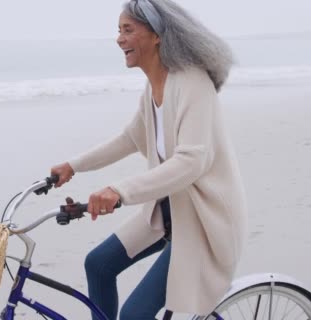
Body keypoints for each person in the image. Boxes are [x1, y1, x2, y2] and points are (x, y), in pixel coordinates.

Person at [50, 0, 247, 319]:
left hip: (199, 222)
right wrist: (73, 166)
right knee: (98, 265)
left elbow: (191, 161)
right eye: (118, 30)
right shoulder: (155, 86)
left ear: (156, 35)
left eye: (128, 29)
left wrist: (119, 190)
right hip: (165, 213)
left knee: (133, 315)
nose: (119, 38)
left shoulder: (192, 83)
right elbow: (130, 138)